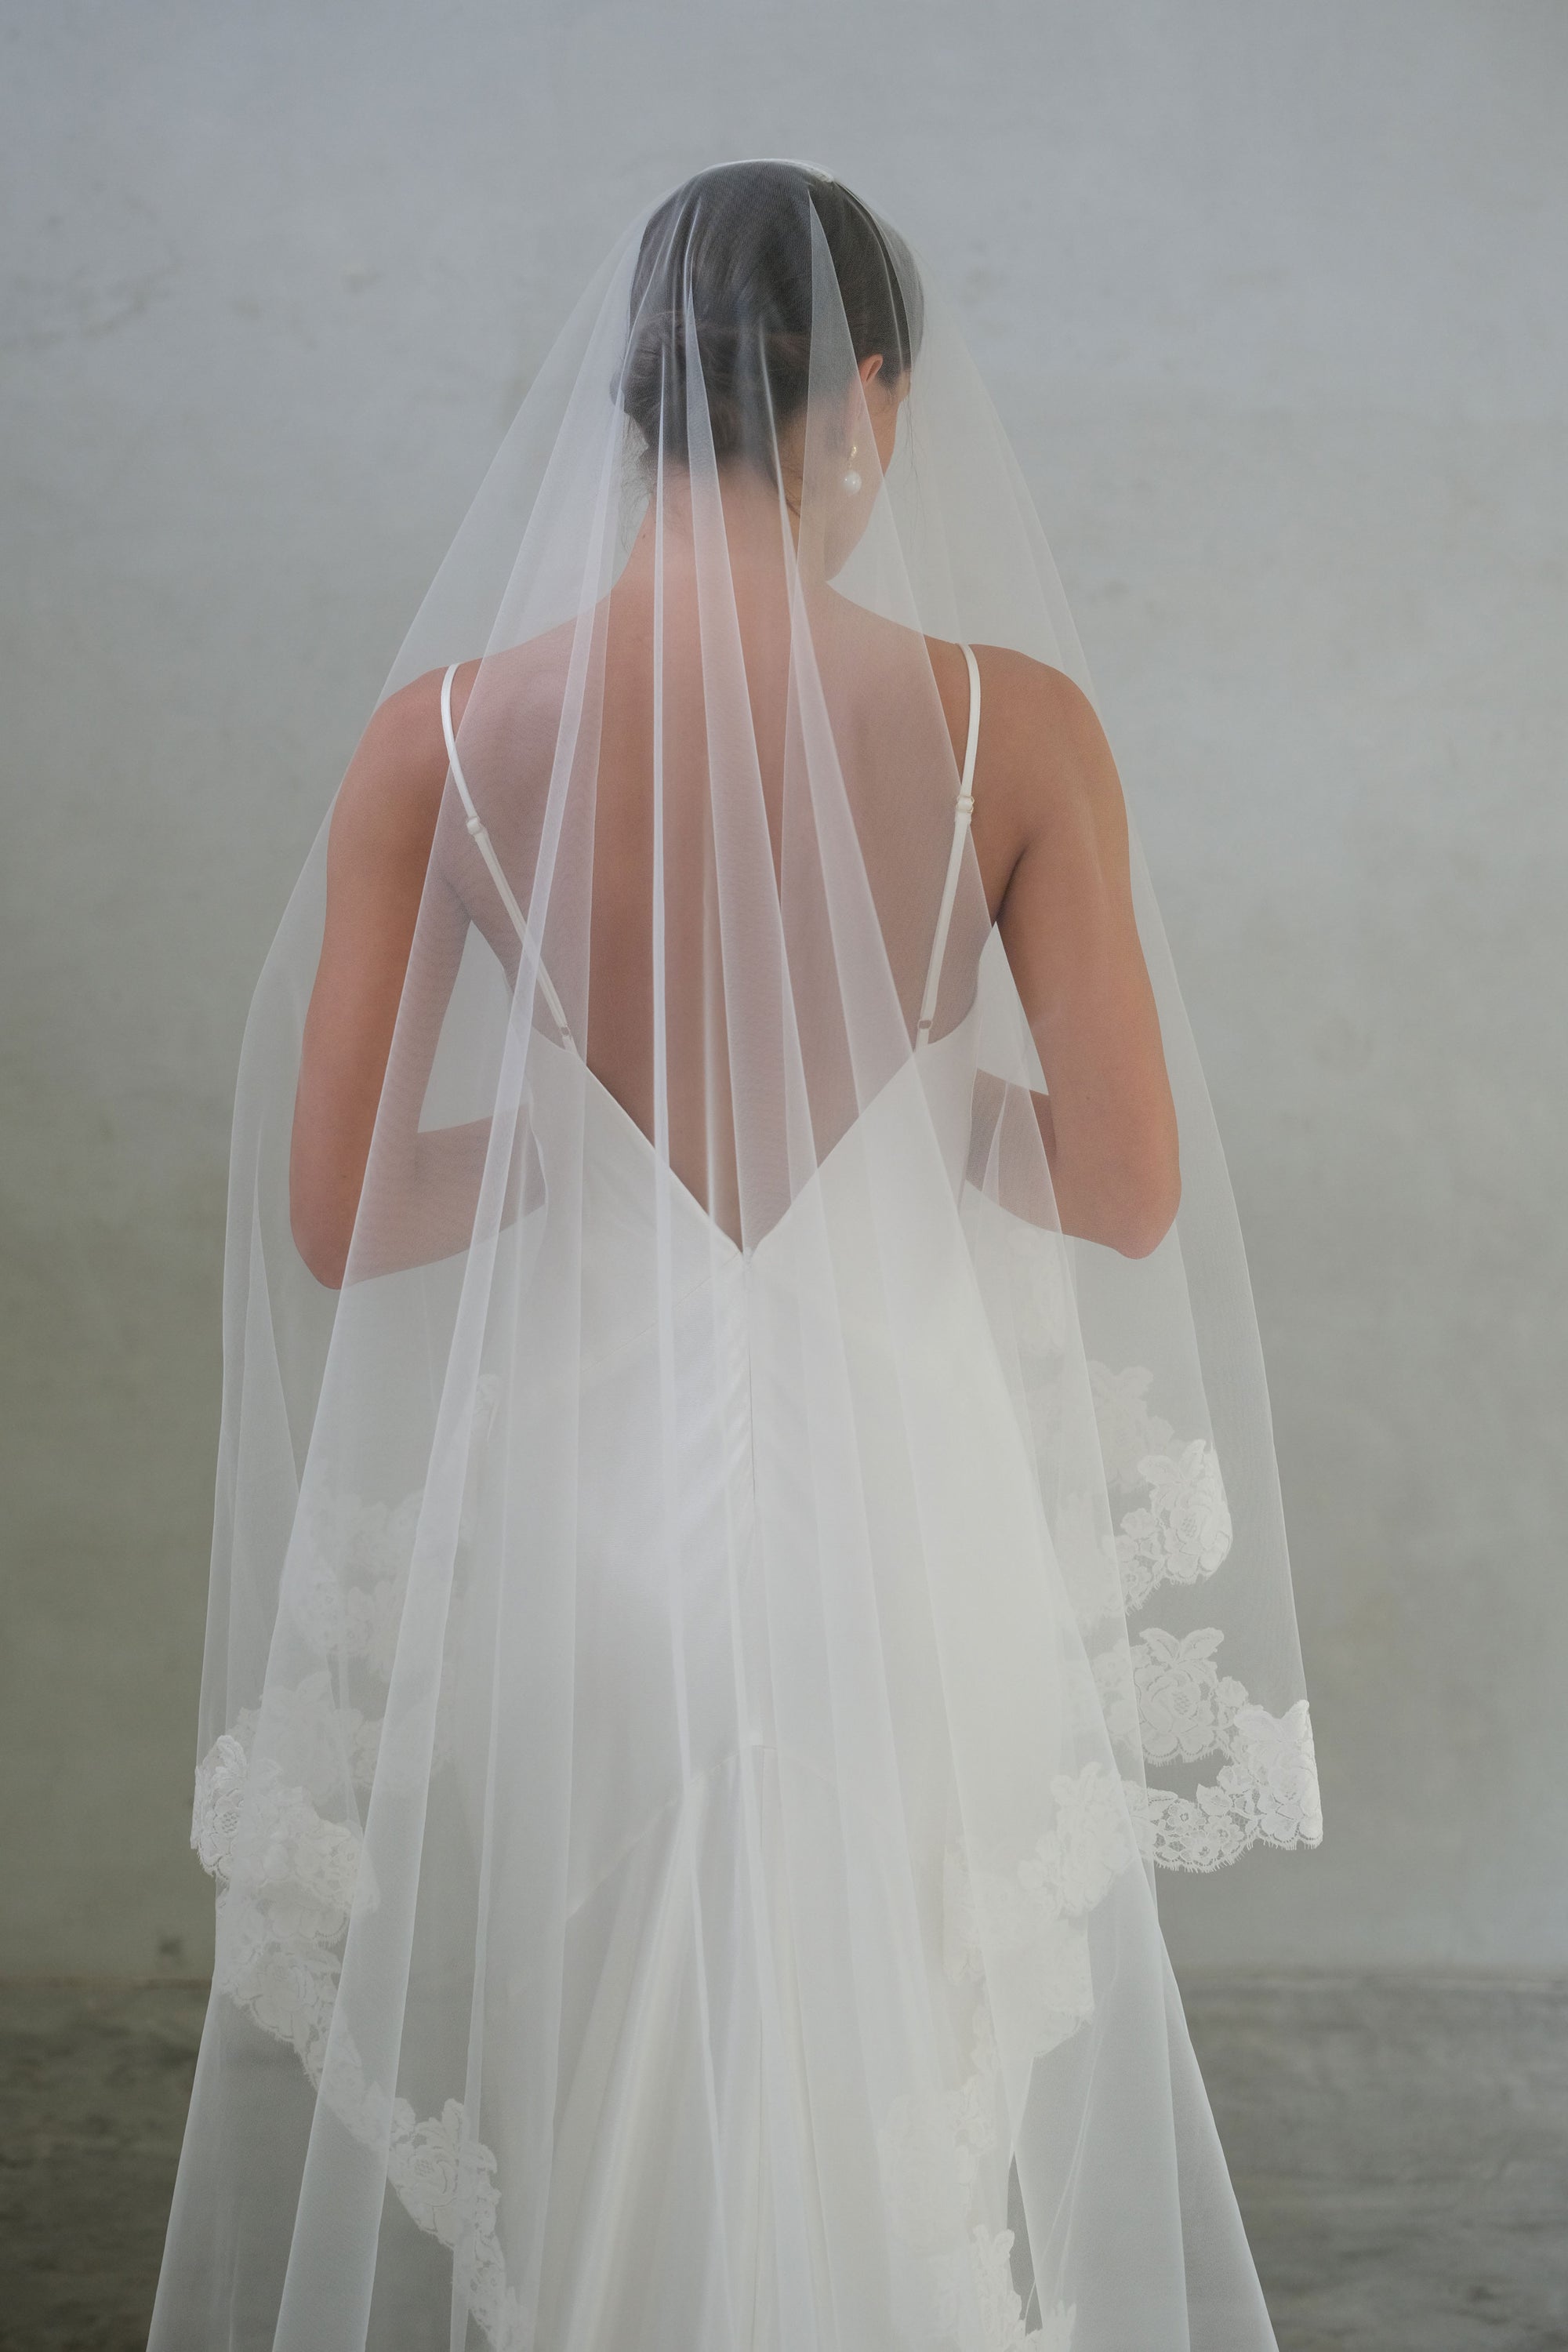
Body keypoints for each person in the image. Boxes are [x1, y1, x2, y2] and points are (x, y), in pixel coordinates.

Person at [151, 161, 1321, 2352]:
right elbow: (1125, 1186)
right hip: (906, 1511)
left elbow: (343, 1214)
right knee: (900, 2080)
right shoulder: (1015, 727)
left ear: (632, 401)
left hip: (592, 1532)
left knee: (623, 2046)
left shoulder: (444, 745)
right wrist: (914, 1117)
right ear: (868, 399)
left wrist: (590, 1155)